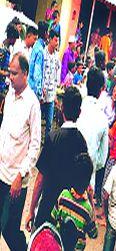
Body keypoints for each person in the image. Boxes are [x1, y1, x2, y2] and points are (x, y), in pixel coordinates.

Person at [25, 86, 88, 230]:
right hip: (69, 214)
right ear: (79, 112)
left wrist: (31, 211)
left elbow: (40, 179)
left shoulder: (52, 138)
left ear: (62, 108)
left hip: (47, 207)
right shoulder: (81, 142)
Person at [0, 53, 41, 250]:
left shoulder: (32, 104)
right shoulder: (9, 95)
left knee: (9, 229)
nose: (10, 77)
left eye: (14, 74)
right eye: (9, 73)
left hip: (15, 181)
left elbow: (35, 145)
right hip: (1, 171)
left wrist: (21, 175)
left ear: (25, 74)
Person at [51, 153, 98, 250]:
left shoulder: (63, 196)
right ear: (88, 182)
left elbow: (53, 218)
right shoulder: (87, 209)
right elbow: (94, 234)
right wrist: (91, 201)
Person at [77, 67, 109, 191]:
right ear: (101, 90)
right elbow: (102, 159)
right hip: (88, 180)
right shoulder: (102, 119)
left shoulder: (78, 107)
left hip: (68, 174)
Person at [41, 30, 61, 136]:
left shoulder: (57, 57)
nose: (57, 43)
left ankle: (46, 145)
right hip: (42, 94)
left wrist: (55, 94)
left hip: (51, 95)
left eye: (58, 41)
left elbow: (57, 76)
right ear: (50, 39)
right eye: (55, 40)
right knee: (37, 119)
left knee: (49, 123)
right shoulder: (43, 53)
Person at [28, 21, 49, 100]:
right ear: (45, 33)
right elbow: (37, 74)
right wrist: (39, 94)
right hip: (33, 90)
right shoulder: (40, 50)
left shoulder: (36, 46)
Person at [0, 23, 19, 93]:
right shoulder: (2, 50)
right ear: (11, 37)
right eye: (15, 39)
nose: (15, 42)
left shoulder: (7, 49)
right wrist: (7, 74)